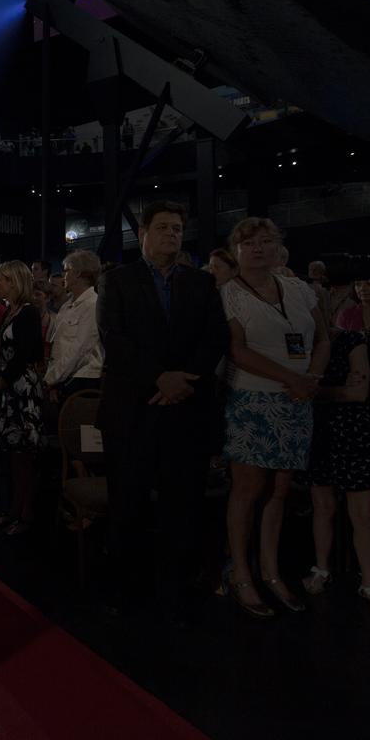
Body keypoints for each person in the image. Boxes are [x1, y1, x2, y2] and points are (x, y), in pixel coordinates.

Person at [97, 201, 228, 623]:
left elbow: (214, 338)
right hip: (133, 410)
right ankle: (124, 587)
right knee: (128, 503)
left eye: (178, 228)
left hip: (185, 409)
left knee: (182, 505)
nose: (173, 234)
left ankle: (175, 587)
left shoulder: (201, 283)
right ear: (143, 233)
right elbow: (114, 340)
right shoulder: (117, 280)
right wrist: (159, 378)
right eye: (164, 227)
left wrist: (182, 380)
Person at [220, 216, 329, 618]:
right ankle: (241, 572)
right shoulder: (228, 294)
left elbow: (323, 338)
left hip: (297, 402)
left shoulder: (299, 289)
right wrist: (291, 378)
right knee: (248, 489)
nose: (258, 249)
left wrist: (312, 377)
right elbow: (237, 349)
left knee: (280, 490)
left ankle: (270, 571)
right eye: (249, 243)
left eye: (266, 241)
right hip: (252, 400)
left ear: (278, 246)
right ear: (236, 251)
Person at [302, 328, 370, 617]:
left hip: (354, 432)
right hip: (322, 432)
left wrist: (319, 391)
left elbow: (359, 392)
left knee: (363, 514)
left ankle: (369, 582)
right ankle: (322, 569)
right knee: (323, 507)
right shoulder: (302, 339)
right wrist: (336, 390)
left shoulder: (351, 339)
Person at [0, 260, 46, 537]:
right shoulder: (9, 311)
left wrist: (0, 382)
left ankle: (26, 514)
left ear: (15, 282)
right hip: (9, 390)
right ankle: (12, 508)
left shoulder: (28, 312)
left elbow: (23, 354)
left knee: (24, 455)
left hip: (22, 390)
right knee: (11, 454)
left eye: (2, 279)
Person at [44, 250, 104, 403]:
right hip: (63, 379)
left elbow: (79, 349)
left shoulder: (92, 305)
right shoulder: (67, 306)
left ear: (77, 273)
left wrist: (51, 378)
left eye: (67, 270)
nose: (64, 275)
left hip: (82, 381)